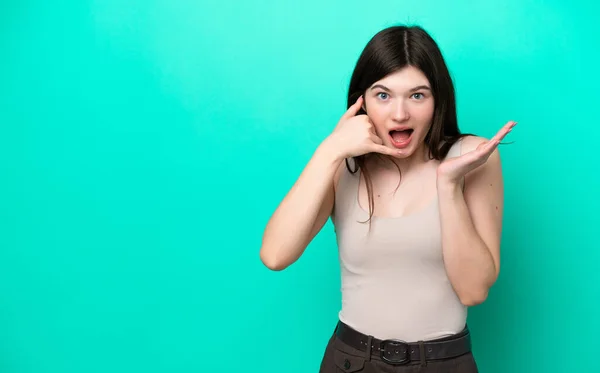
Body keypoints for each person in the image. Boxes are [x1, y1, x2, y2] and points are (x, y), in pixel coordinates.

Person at [259, 24, 515, 372]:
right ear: (360, 101)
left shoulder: (470, 157)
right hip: (351, 360)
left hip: (443, 363)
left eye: (417, 95)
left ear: (438, 99)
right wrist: (330, 149)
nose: (399, 114)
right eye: (383, 95)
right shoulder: (342, 163)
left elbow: (474, 292)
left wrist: (448, 186)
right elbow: (275, 255)